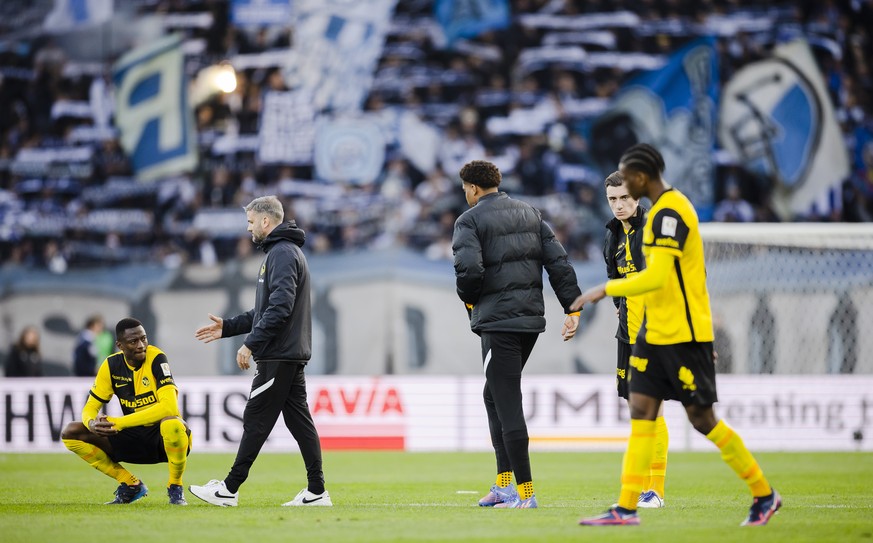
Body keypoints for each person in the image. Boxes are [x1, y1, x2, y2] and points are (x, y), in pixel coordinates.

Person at [573, 144, 780, 527]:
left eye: (629, 182)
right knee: (641, 411)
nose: (623, 196)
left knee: (702, 420)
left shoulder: (670, 212)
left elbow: (659, 276)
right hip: (652, 333)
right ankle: (626, 506)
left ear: (642, 177)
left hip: (683, 334)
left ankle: (764, 494)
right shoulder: (641, 224)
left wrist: (607, 289)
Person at [452, 160, 581, 509]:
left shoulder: (469, 220)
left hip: (498, 323)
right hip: (528, 322)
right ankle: (503, 484)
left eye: (465, 188)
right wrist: (573, 307)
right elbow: (559, 263)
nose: (465, 194)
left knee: (506, 401)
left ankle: (525, 493)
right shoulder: (530, 213)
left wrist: (469, 299)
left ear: (474, 188)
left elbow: (468, 269)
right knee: (493, 396)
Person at [189, 195, 330, 508]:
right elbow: (266, 309)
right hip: (288, 352)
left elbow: (280, 307)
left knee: (256, 418)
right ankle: (317, 490)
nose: (248, 228)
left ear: (266, 221)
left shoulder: (281, 253)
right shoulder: (283, 252)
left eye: (251, 222)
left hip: (278, 353)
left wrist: (251, 343)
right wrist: (228, 327)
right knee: (298, 422)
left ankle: (229, 489)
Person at [60, 317, 191, 505]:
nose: (141, 345)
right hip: (134, 439)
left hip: (162, 439)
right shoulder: (111, 366)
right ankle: (130, 484)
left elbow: (170, 407)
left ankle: (175, 486)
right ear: (120, 345)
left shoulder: (157, 358)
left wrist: (119, 422)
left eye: (144, 339)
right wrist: (91, 423)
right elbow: (90, 407)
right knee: (71, 433)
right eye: (133, 341)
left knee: (172, 423)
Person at [602, 170, 669, 509]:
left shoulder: (655, 229)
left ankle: (655, 490)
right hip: (628, 334)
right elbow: (615, 282)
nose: (618, 205)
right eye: (612, 199)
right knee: (636, 410)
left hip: (657, 333)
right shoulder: (611, 236)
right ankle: (645, 488)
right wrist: (618, 306)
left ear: (638, 197)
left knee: (651, 410)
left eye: (624, 198)